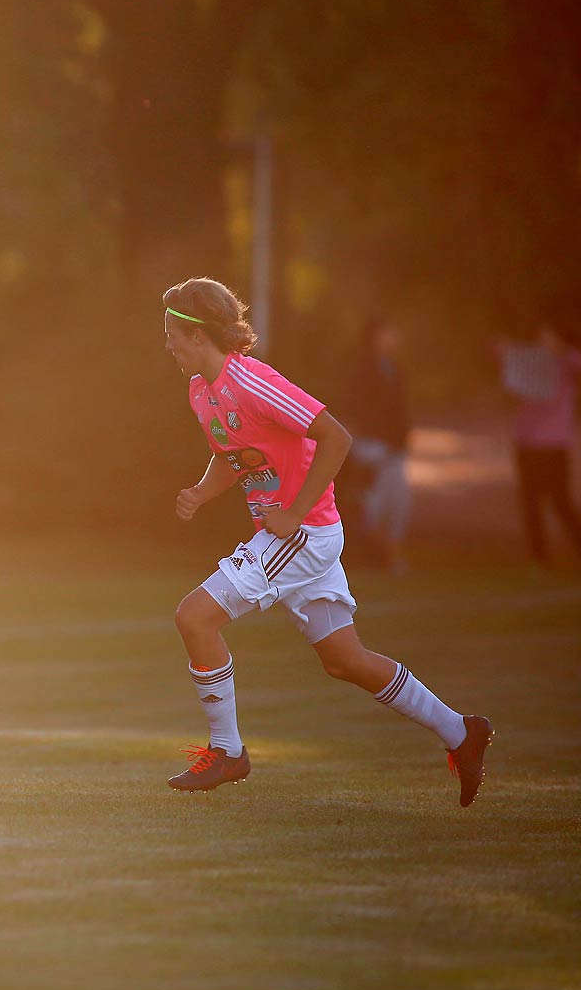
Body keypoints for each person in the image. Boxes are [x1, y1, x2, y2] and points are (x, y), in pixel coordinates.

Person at [163, 277, 492, 806]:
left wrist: (293, 513)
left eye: (173, 334)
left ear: (199, 335)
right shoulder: (202, 391)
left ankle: (228, 751)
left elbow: (335, 437)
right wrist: (202, 493)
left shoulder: (253, 380)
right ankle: (461, 731)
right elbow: (237, 455)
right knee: (345, 660)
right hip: (295, 536)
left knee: (194, 616)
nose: (168, 345)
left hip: (305, 534)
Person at [492, 318, 581, 565]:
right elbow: (509, 360)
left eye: (549, 336)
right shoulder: (533, 362)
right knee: (530, 501)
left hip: (554, 445)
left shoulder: (567, 362)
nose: (544, 341)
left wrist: (561, 353)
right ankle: (538, 556)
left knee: (561, 500)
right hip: (527, 442)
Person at [344, 316, 413, 572]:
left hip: (393, 447)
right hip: (372, 446)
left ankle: (390, 555)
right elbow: (359, 408)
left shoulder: (394, 368)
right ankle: (374, 554)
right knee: (374, 504)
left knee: (398, 503)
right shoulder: (364, 370)